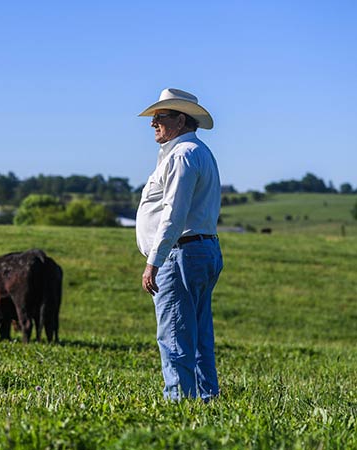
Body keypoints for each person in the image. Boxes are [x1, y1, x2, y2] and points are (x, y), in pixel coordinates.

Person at [135, 88, 223, 401]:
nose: (153, 123)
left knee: (173, 332)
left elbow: (174, 212)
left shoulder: (182, 155)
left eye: (160, 116)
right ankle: (206, 399)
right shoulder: (198, 152)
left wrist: (153, 261)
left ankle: (180, 404)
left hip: (181, 252)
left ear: (180, 119)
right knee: (198, 333)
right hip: (201, 248)